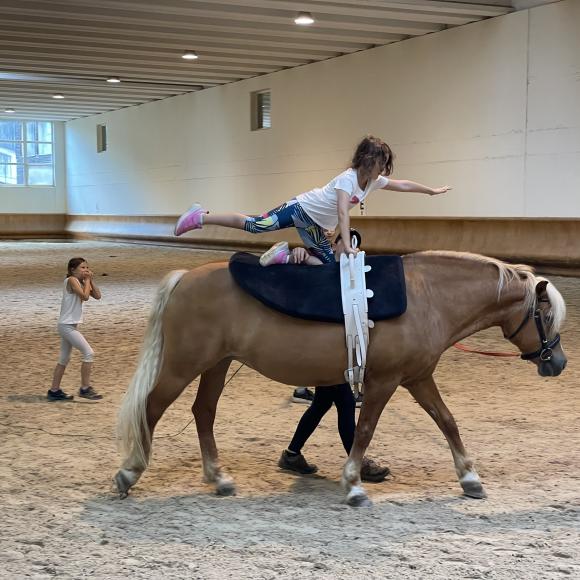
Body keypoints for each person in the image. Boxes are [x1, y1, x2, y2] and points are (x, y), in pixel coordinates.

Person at [173, 135, 451, 266]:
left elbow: (402, 184)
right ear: (368, 161)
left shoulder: (373, 182)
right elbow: (343, 213)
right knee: (257, 225)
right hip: (300, 209)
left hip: (314, 226)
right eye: (382, 162)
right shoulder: (347, 179)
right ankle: (200, 216)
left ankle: (284, 257)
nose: (385, 168)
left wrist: (430, 191)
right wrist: (348, 246)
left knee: (328, 267)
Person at [47, 257, 103, 401]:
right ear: (73, 270)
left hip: (70, 325)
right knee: (89, 353)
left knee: (64, 359)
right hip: (66, 326)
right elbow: (85, 296)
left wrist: (90, 280)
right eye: (82, 268)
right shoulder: (72, 280)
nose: (86, 270)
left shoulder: (82, 282)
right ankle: (85, 388)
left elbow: (97, 296)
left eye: (87, 268)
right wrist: (88, 281)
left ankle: (54, 390)